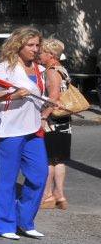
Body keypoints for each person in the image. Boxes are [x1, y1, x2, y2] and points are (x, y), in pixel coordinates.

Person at [0, 27, 49, 240]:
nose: (35, 49)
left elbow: (37, 98)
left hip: (33, 129)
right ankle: (5, 224)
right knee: (6, 179)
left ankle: (24, 220)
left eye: (37, 45)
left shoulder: (39, 69)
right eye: (30, 45)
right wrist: (14, 96)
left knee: (39, 175)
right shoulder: (4, 68)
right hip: (7, 130)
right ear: (18, 45)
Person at [39, 37, 72, 210]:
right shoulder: (63, 69)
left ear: (50, 54)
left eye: (42, 52)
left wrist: (43, 116)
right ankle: (60, 194)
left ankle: (47, 195)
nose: (39, 54)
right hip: (64, 119)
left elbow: (53, 97)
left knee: (48, 159)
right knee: (58, 159)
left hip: (52, 120)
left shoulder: (51, 71)